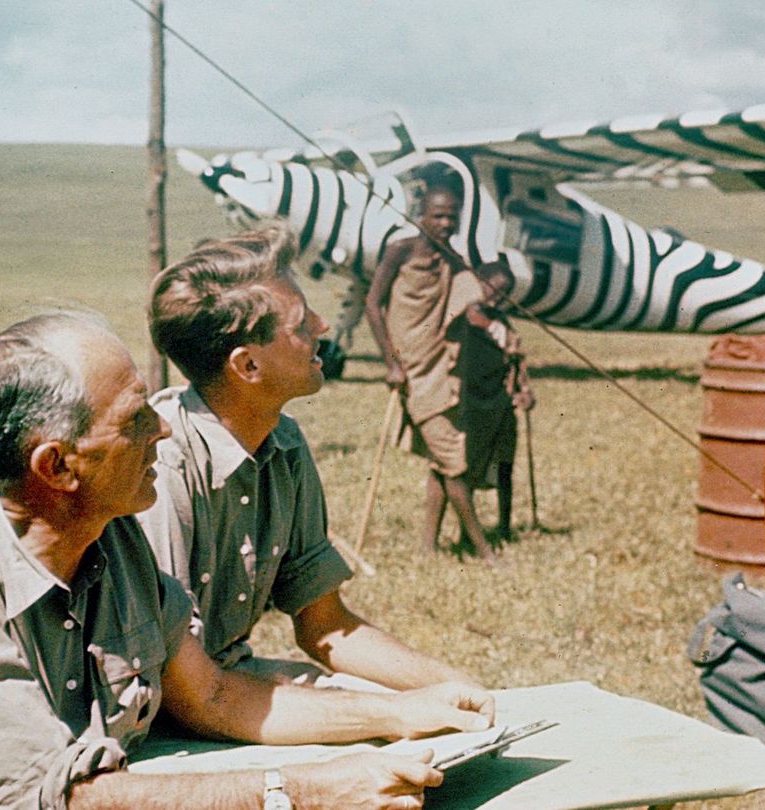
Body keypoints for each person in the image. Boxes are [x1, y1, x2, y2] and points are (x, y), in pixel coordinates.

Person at [0, 312, 490, 809]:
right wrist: (299, 794)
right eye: (134, 421)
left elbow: (211, 695)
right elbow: (50, 799)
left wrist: (398, 715)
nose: (162, 427)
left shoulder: (110, 535)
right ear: (56, 466)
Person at [139, 225, 486, 689]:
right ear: (248, 366)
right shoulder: (164, 465)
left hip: (219, 686)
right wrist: (383, 714)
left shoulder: (284, 442)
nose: (322, 326)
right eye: (301, 323)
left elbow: (326, 625)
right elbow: (180, 685)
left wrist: (455, 686)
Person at [364, 186, 493, 559]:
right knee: (452, 459)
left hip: (441, 366)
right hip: (412, 371)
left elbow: (474, 288)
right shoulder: (400, 250)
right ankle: (482, 549)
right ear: (420, 213)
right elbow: (373, 304)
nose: (446, 224)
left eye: (452, 216)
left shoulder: (450, 257)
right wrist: (390, 362)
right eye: (438, 216)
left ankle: (427, 548)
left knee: (442, 456)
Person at [446, 259, 535, 542]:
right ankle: (466, 534)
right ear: (477, 283)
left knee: (504, 468)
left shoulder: (501, 322)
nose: (495, 297)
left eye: (503, 293)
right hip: (470, 403)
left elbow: (516, 359)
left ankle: (505, 528)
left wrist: (524, 390)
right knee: (468, 467)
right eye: (491, 289)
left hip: (501, 403)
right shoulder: (460, 318)